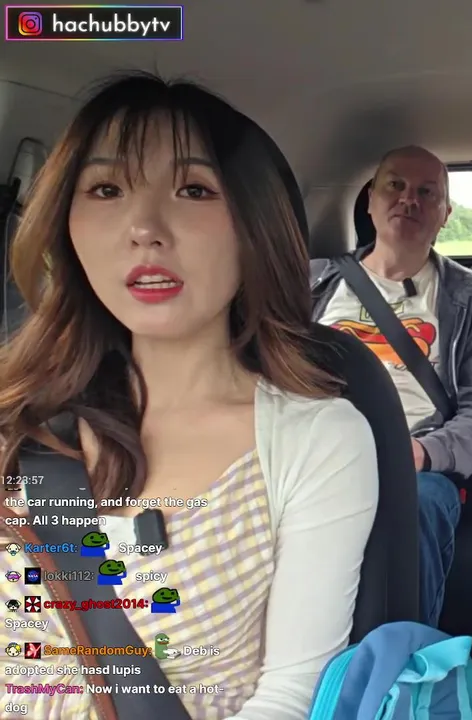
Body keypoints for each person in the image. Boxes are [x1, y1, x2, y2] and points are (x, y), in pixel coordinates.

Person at [0, 73, 378, 719]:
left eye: (194, 190)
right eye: (107, 189)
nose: (144, 228)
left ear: (255, 225)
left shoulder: (315, 439)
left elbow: (289, 698)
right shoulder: (18, 412)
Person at [309, 145, 472, 626]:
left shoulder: (468, 297)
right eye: (395, 186)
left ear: (445, 214)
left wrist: (422, 453)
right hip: (313, 453)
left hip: (415, 463)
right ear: (369, 200)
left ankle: (399, 653)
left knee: (417, 505)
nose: (409, 200)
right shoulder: (312, 284)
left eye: (427, 192)